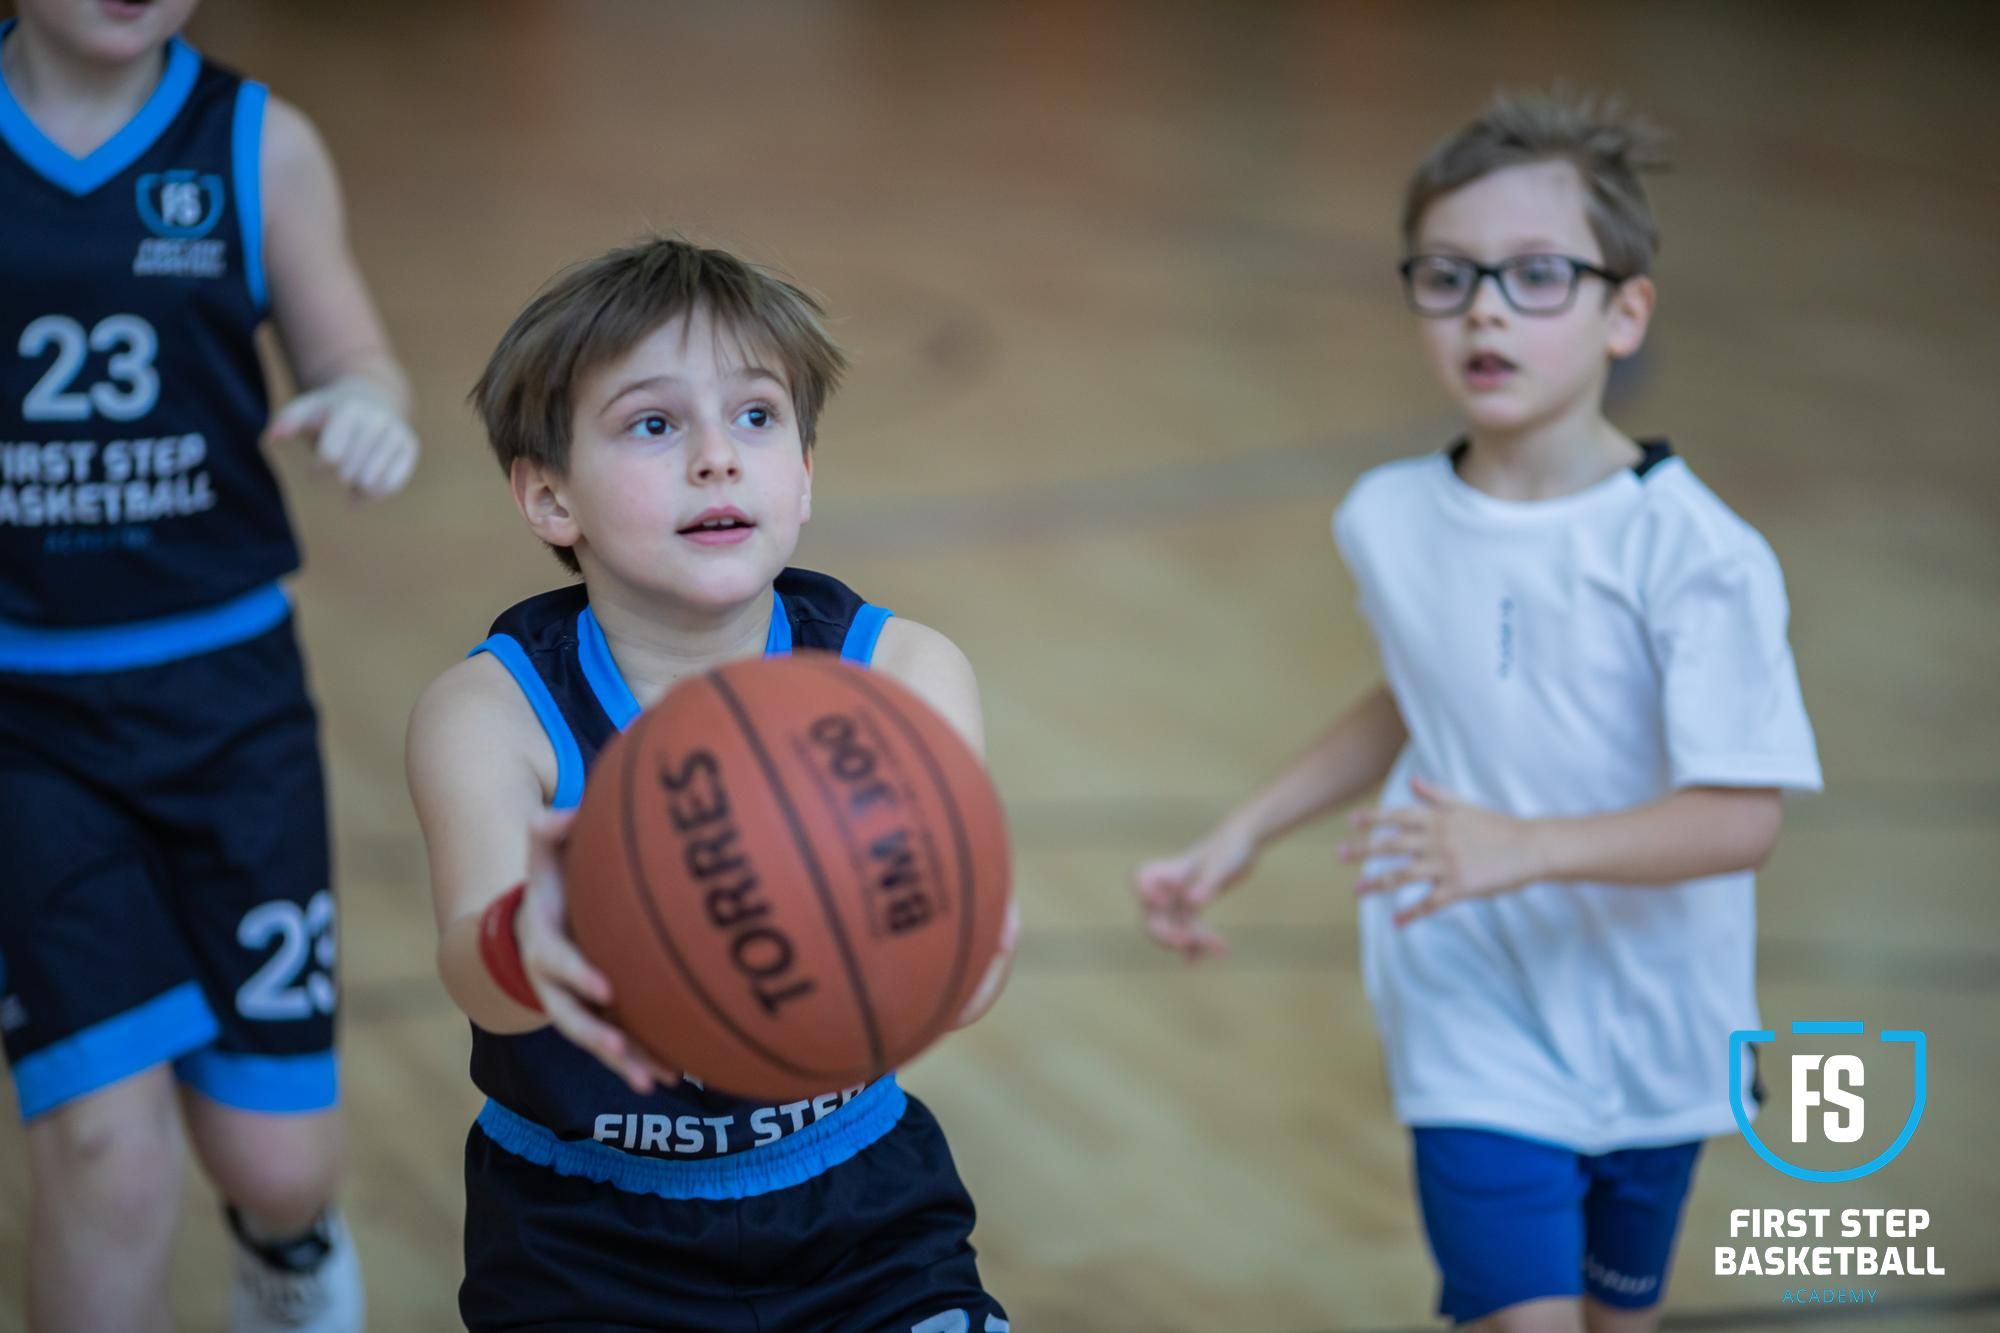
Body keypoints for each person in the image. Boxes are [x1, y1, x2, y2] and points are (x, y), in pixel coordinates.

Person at [1134, 90, 1821, 1333]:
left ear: (1625, 311)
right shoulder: (1387, 518)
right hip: (1466, 1000)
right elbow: (1422, 689)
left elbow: (1739, 818)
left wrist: (1524, 846)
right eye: (1446, 277)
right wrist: (1241, 830)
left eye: (1533, 275)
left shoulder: (1696, 552)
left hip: (1655, 1026)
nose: (1485, 309)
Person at [406, 236, 1015, 1332]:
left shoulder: (902, 673)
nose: (716, 458)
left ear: (806, 472)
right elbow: (474, 969)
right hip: (579, 1230)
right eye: (653, 423)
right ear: (549, 496)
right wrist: (525, 937)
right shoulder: (491, 714)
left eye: (755, 416)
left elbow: (970, 965)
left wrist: (961, 953)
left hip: (861, 1202)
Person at [0, 2, 417, 1330]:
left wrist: (364, 407)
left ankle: (284, 1251)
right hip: (27, 720)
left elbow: (357, 355)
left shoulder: (257, 143)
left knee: (279, 1162)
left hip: (228, 704)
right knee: (105, 1147)